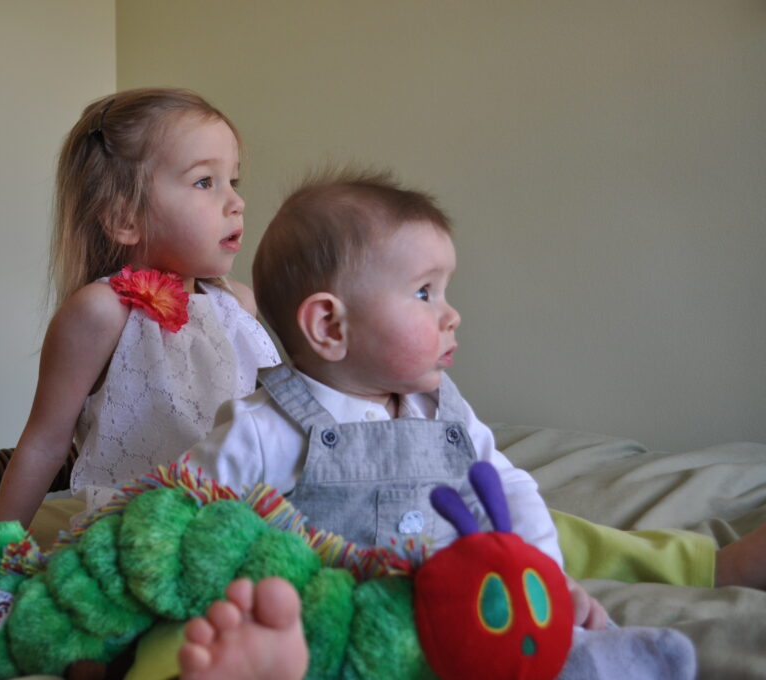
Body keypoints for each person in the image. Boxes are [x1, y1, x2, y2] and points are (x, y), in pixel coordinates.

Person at [177, 170, 696, 679]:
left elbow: (508, 487)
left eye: (445, 291)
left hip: (465, 622)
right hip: (347, 636)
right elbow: (181, 512)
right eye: (426, 293)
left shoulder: (444, 410)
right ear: (330, 325)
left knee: (547, 650)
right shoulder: (265, 429)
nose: (452, 315)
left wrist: (545, 577)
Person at [0, 87, 279, 565]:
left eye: (233, 180)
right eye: (205, 182)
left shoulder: (238, 305)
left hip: (230, 528)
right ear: (123, 218)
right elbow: (44, 444)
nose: (236, 202)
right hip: (135, 538)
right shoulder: (101, 311)